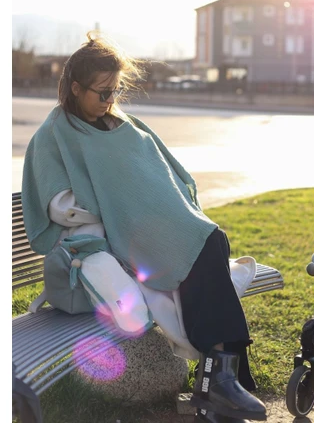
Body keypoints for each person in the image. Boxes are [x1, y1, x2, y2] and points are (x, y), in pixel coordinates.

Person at [22, 32, 267, 423]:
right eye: (103, 92)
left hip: (149, 226)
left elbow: (155, 172)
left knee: (211, 239)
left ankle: (221, 374)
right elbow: (61, 206)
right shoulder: (53, 135)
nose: (110, 100)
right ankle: (223, 377)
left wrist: (155, 206)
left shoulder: (121, 123)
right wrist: (118, 207)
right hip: (113, 236)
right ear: (75, 88)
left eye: (116, 91)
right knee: (202, 248)